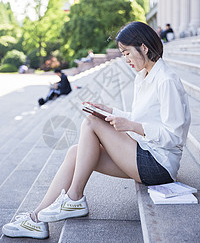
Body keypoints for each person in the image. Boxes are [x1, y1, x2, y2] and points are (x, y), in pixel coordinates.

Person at [2, 21, 191, 239]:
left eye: (127, 53)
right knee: (75, 152)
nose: (126, 59)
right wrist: (113, 111)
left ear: (144, 47)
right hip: (145, 153)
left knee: (91, 122)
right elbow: (142, 117)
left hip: (159, 165)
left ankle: (74, 198)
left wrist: (132, 126)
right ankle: (36, 218)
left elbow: (174, 136)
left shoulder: (165, 80)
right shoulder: (144, 75)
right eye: (123, 54)